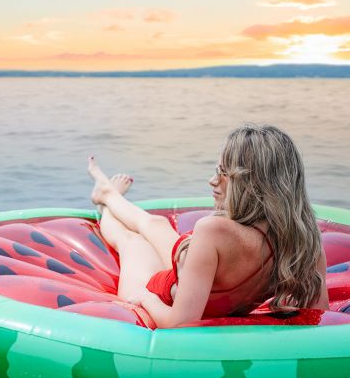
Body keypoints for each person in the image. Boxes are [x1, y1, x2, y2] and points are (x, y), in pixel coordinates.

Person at [87, 124, 329, 328]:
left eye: (223, 173)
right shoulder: (305, 240)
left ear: (250, 184)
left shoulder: (213, 231)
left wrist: (142, 298)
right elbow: (320, 318)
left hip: (157, 291)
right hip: (189, 268)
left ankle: (106, 203)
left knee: (133, 241)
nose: (212, 181)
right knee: (155, 223)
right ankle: (108, 196)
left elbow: (179, 324)